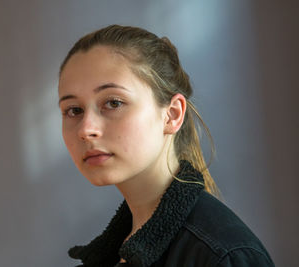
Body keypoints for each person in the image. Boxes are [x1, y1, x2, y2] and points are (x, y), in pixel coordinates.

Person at [58, 25, 274, 267]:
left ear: (172, 115)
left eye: (113, 103)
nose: (86, 129)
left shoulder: (223, 255)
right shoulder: (114, 253)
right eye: (74, 110)